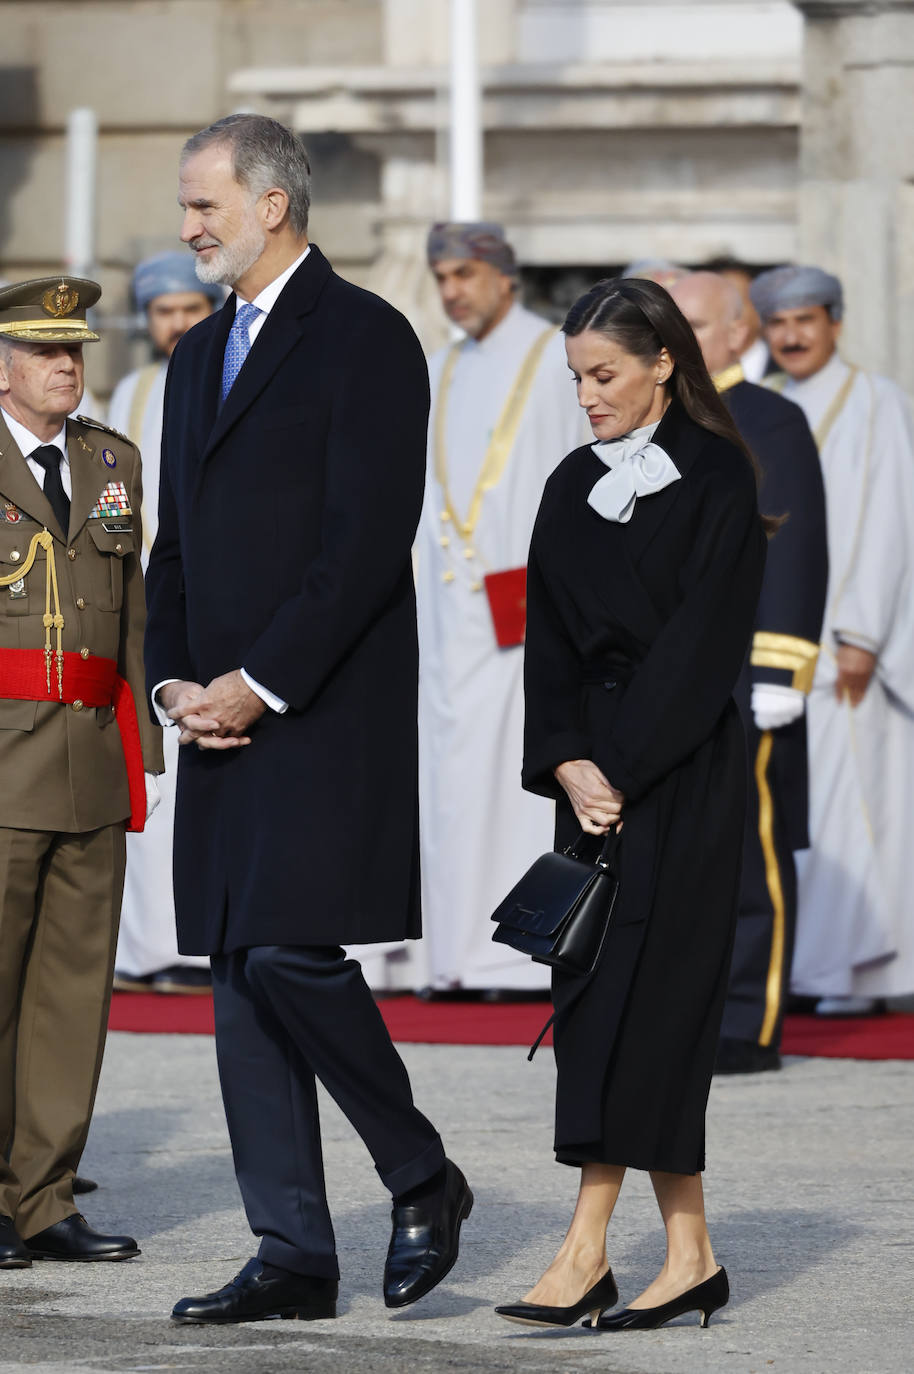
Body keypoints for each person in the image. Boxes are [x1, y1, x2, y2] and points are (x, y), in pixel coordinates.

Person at [143, 114, 471, 1325]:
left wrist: (259, 681)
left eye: (202, 206)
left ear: (271, 204)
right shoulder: (194, 358)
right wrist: (176, 682)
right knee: (239, 972)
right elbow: (173, 549)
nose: (187, 230)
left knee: (288, 950)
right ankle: (290, 1250)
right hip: (216, 713)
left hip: (316, 707)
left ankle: (418, 1171)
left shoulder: (368, 338)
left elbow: (360, 546)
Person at [494, 278, 767, 1332]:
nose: (586, 396)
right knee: (593, 1013)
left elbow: (703, 653)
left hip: (680, 776)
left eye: (601, 375)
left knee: (659, 1011)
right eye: (573, 379)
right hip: (589, 788)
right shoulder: (569, 483)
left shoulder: (718, 481)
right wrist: (567, 763)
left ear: (662, 363)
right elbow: (549, 643)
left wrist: (619, 767)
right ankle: (639, 1250)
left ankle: (623, 1251)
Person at [0, 276, 163, 1269]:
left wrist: (145, 744)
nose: (68, 364)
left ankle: (43, 1197)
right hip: (3, 761)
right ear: (3, 364)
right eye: (44, 350)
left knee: (70, 994)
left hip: (91, 759)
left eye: (77, 350)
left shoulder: (112, 459)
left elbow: (134, 614)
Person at [404, 221, 589, 998]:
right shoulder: (438, 364)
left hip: (526, 600)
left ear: (504, 278)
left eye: (465, 275)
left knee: (512, 775)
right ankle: (449, 952)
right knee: (447, 777)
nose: (452, 292)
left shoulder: (558, 355)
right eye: (441, 277)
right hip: (448, 607)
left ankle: (513, 954)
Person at [670, 271, 828, 1072]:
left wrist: (781, 667)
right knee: (682, 853)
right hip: (669, 673)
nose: (679, 336)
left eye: (695, 322)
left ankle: (747, 1020)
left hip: (742, 672)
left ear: (740, 333)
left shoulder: (770, 416)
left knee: (749, 854)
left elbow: (793, 547)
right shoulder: (658, 415)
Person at [753, 265, 914, 1016]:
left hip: (847, 648)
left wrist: (862, 632)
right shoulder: (765, 406)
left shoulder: (877, 402)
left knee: (856, 812)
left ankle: (863, 974)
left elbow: (889, 519)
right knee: (792, 817)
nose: (790, 337)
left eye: (805, 321)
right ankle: (808, 969)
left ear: (835, 324)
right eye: (778, 324)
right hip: (778, 646)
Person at [109, 252, 221, 996]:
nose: (176, 323)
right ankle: (155, 946)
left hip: (213, 608)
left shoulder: (227, 373)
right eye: (163, 312)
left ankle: (209, 942)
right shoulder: (131, 390)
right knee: (150, 775)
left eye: (188, 308)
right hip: (144, 604)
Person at [702, 256, 771, 383]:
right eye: (714, 304)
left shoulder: (788, 368)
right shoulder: (687, 375)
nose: (723, 313)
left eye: (734, 303)